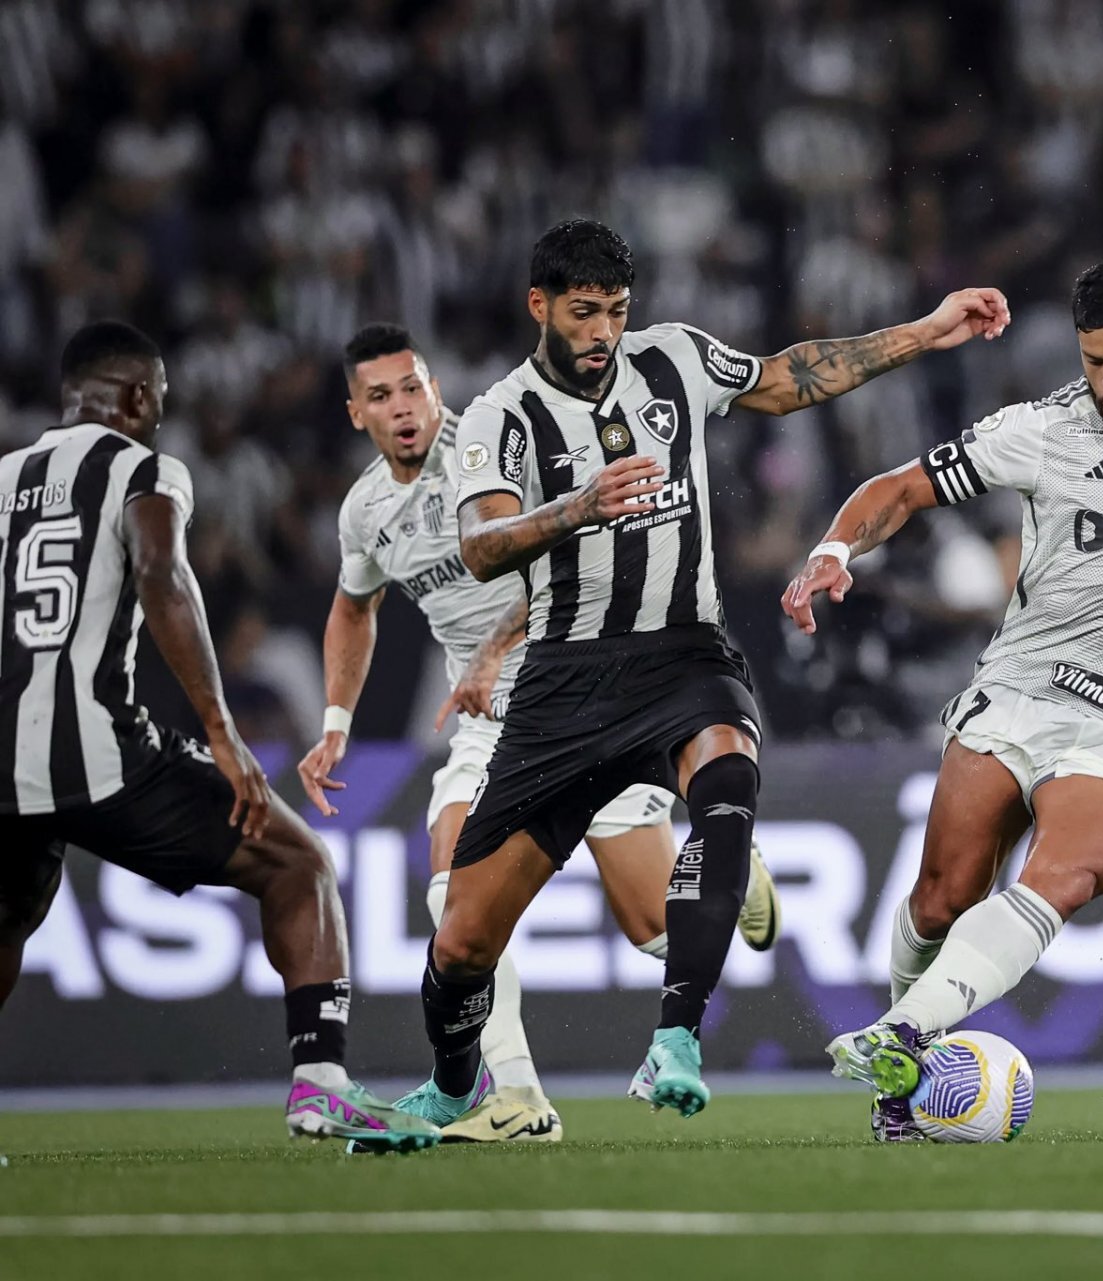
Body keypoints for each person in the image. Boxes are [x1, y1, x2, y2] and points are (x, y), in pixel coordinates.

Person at [420, 218, 1010, 1121]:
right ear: (539, 306)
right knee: (463, 939)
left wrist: (926, 331)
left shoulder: (675, 361)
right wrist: (576, 507)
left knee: (729, 773)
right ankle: (455, 1086)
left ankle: (676, 1039)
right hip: (567, 682)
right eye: (583, 312)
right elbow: (481, 545)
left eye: (616, 310)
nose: (602, 332)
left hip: (684, 652)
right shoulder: (502, 415)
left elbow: (790, 376)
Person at [783, 260, 1103, 1140]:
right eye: (1094, 363)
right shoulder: (1040, 432)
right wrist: (834, 550)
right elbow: (898, 489)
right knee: (941, 899)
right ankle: (902, 1088)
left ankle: (900, 1033)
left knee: (1067, 871)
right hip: (1022, 691)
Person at [296, 323, 782, 1143]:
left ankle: (725, 864)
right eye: (381, 397)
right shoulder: (367, 511)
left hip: (591, 691)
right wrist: (335, 721)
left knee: (653, 927)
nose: (403, 409)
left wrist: (491, 648)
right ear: (357, 414)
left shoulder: (498, 445)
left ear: (436, 389)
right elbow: (354, 606)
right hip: (500, 727)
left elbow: (591, 554)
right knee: (452, 881)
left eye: (413, 387)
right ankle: (517, 1097)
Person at [0, 321, 436, 1152]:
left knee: (6, 916)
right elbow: (163, 573)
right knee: (299, 863)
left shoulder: (1, 477)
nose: (159, 417)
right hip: (96, 746)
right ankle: (322, 1085)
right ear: (134, 397)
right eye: (158, 402)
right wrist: (222, 730)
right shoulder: (142, 468)